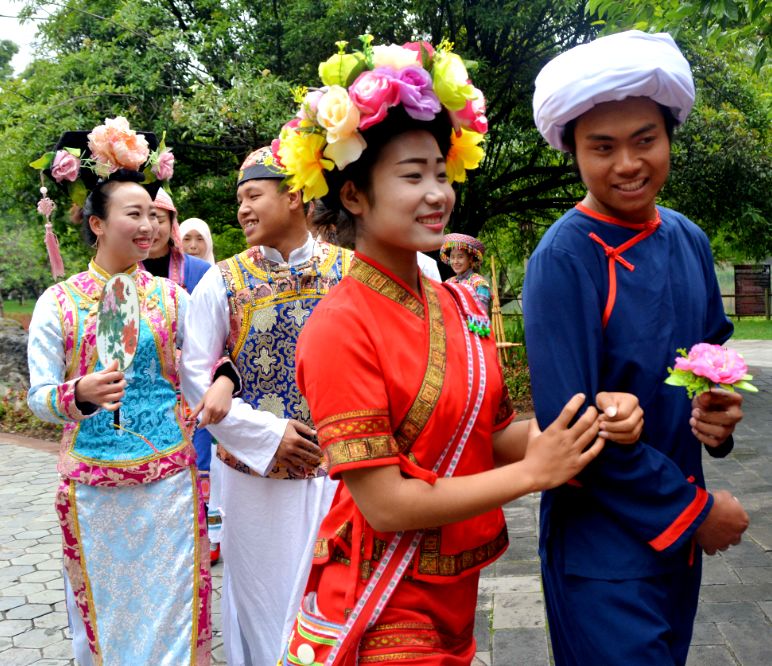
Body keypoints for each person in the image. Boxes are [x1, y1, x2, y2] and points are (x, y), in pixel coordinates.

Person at [275, 38, 644, 664]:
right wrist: (532, 475)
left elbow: (487, 435)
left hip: (453, 598)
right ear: (354, 196)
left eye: (441, 174)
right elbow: (386, 504)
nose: (437, 193)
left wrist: (586, 427)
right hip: (380, 603)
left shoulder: (457, 304)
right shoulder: (339, 326)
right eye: (412, 176)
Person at [525, 31, 749, 665]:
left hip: (676, 548)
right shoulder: (565, 259)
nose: (627, 163)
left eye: (644, 140)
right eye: (602, 147)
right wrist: (697, 512)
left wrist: (719, 415)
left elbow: (708, 370)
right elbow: (570, 430)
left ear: (669, 137)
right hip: (602, 550)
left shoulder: (689, 240)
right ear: (573, 152)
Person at [26, 118, 221, 665]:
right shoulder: (59, 303)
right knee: (107, 619)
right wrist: (77, 393)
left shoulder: (174, 298)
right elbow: (38, 396)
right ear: (97, 223)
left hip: (169, 484)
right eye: (133, 214)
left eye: (154, 216)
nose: (148, 227)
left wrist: (222, 383)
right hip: (92, 489)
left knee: (178, 611)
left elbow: (209, 361)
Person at [180, 146, 352, 665]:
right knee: (262, 607)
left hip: (343, 474)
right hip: (255, 480)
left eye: (253, 195)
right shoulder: (222, 281)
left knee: (336, 604)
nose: (242, 210)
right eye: (239, 200)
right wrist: (267, 434)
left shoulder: (353, 271)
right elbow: (194, 374)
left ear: (295, 196)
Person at [142, 188, 221, 564]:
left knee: (202, 459)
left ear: (171, 223)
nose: (151, 225)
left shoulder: (201, 272)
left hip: (194, 387)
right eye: (143, 215)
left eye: (159, 217)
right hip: (150, 392)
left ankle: (210, 533)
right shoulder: (127, 275)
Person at [143, 188, 211, 291]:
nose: (148, 228)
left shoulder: (201, 270)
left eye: (159, 220)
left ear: (172, 224)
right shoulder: (119, 270)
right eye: (138, 218)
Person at [440, 232, 491, 311]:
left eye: (460, 257)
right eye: (452, 257)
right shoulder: (448, 283)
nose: (455, 261)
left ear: (470, 259)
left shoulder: (479, 283)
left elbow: (481, 315)